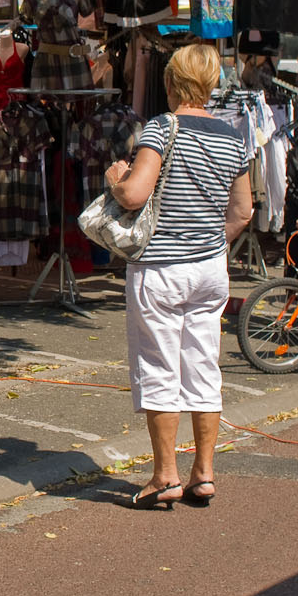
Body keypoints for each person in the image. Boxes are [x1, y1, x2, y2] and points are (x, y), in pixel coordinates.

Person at [103, 41, 254, 508]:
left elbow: (133, 195)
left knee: (159, 367)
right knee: (204, 367)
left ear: (171, 83)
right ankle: (204, 473)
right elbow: (244, 211)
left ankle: (165, 474)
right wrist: (209, 244)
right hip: (210, 268)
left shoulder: (162, 128)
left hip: (162, 268)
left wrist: (115, 178)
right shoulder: (233, 136)